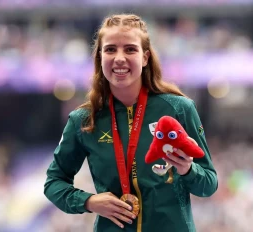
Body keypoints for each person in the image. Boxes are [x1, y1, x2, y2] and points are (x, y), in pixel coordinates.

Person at [44, 13, 218, 232]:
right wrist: (88, 201)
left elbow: (209, 184)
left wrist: (188, 169)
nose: (119, 58)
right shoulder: (84, 119)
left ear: (145, 58)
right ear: (99, 57)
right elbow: (54, 183)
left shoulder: (179, 109)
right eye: (110, 49)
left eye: (130, 49)